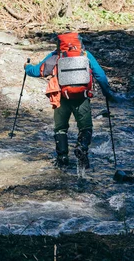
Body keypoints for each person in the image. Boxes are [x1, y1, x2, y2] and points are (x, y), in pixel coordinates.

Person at [24, 32, 119, 169]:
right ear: (79, 43)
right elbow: (101, 76)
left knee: (60, 129)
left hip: (61, 98)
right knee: (85, 128)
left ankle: (62, 158)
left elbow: (37, 71)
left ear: (59, 44)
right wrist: (107, 93)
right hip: (82, 98)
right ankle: (82, 148)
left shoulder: (55, 56)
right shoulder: (85, 55)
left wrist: (26, 67)